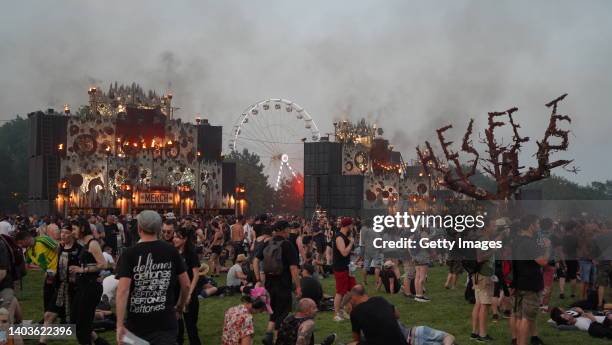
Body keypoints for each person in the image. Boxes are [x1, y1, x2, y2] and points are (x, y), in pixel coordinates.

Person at [115, 210, 190, 345]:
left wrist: (119, 325)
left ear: (139, 228)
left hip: (137, 323)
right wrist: (179, 306)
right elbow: (186, 285)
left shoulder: (129, 253)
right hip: (165, 321)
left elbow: (122, 291)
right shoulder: (171, 250)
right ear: (159, 229)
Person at [254, 220, 301, 345]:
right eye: (288, 229)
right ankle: (276, 340)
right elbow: (293, 268)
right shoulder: (287, 245)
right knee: (283, 313)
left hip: (269, 283)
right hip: (283, 283)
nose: (289, 231)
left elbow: (255, 260)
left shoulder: (267, 242)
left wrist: (258, 279)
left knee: (274, 312)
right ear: (284, 230)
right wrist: (298, 286)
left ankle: (268, 336)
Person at [39, 225, 82, 345]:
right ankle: (42, 343)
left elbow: (87, 265)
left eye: (66, 233)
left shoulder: (79, 249)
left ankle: (97, 339)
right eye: (62, 232)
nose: (63, 235)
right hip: (60, 289)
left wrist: (80, 269)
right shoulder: (59, 248)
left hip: (75, 290)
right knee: (48, 315)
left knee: (79, 323)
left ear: (72, 234)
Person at [70, 218, 109, 345]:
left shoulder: (92, 244)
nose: (72, 232)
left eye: (74, 229)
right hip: (83, 286)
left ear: (82, 228)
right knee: (75, 320)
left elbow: (103, 264)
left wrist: (83, 270)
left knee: (82, 327)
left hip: (91, 288)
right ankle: (99, 342)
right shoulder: (84, 243)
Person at [511, 215, 548, 345]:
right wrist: (547, 248)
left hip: (520, 282)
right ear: (531, 225)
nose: (538, 226)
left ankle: (519, 341)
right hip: (530, 284)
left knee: (520, 317)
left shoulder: (516, 240)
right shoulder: (530, 242)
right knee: (526, 319)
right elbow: (543, 261)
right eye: (537, 224)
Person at [173, 227, 202, 345]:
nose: (174, 239)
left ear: (184, 239)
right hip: (175, 293)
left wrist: (189, 293)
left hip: (189, 293)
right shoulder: (173, 253)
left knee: (191, 327)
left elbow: (196, 275)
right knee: (177, 327)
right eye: (174, 236)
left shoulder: (191, 253)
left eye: (177, 237)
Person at [332, 217, 356, 321]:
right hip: (340, 268)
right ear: (348, 225)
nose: (353, 227)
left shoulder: (346, 236)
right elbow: (344, 252)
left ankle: (341, 308)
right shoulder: (339, 237)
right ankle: (337, 314)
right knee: (340, 292)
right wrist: (351, 243)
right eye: (352, 225)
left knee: (353, 290)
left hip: (347, 267)